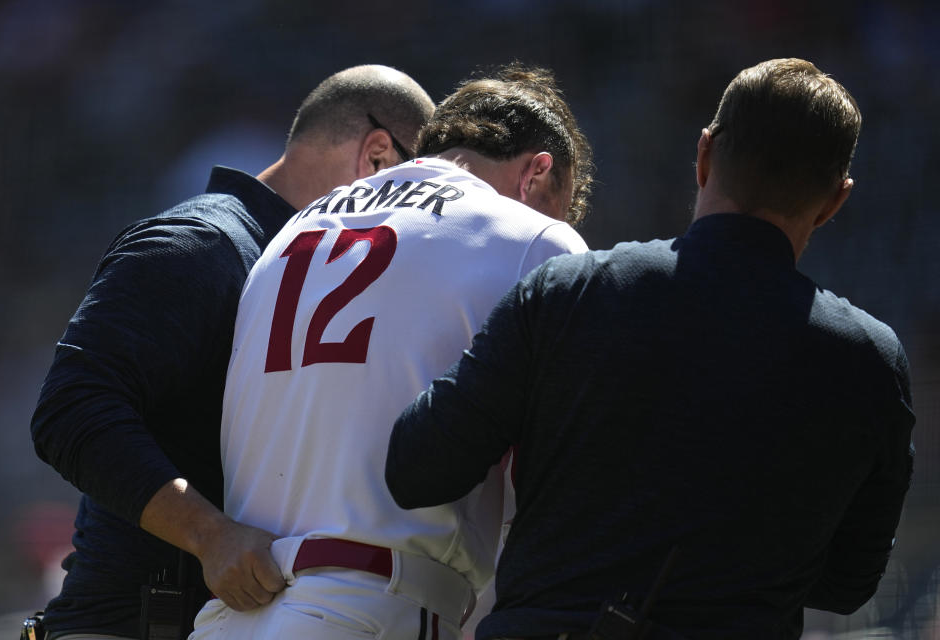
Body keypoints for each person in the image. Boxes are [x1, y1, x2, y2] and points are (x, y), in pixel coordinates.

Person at [386, 58, 916, 640]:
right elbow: (848, 584)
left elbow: (418, 468)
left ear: (705, 155)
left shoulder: (569, 291)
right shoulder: (869, 361)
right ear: (835, 201)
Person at [188, 64, 594, 640]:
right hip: (375, 602)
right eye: (559, 203)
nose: (557, 222)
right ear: (537, 172)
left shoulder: (291, 229)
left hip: (235, 607)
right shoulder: (535, 237)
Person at [30, 64, 434, 639]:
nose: (421, 210)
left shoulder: (299, 267)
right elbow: (68, 410)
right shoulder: (202, 243)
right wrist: (209, 534)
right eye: (417, 180)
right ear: (376, 156)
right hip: (132, 625)